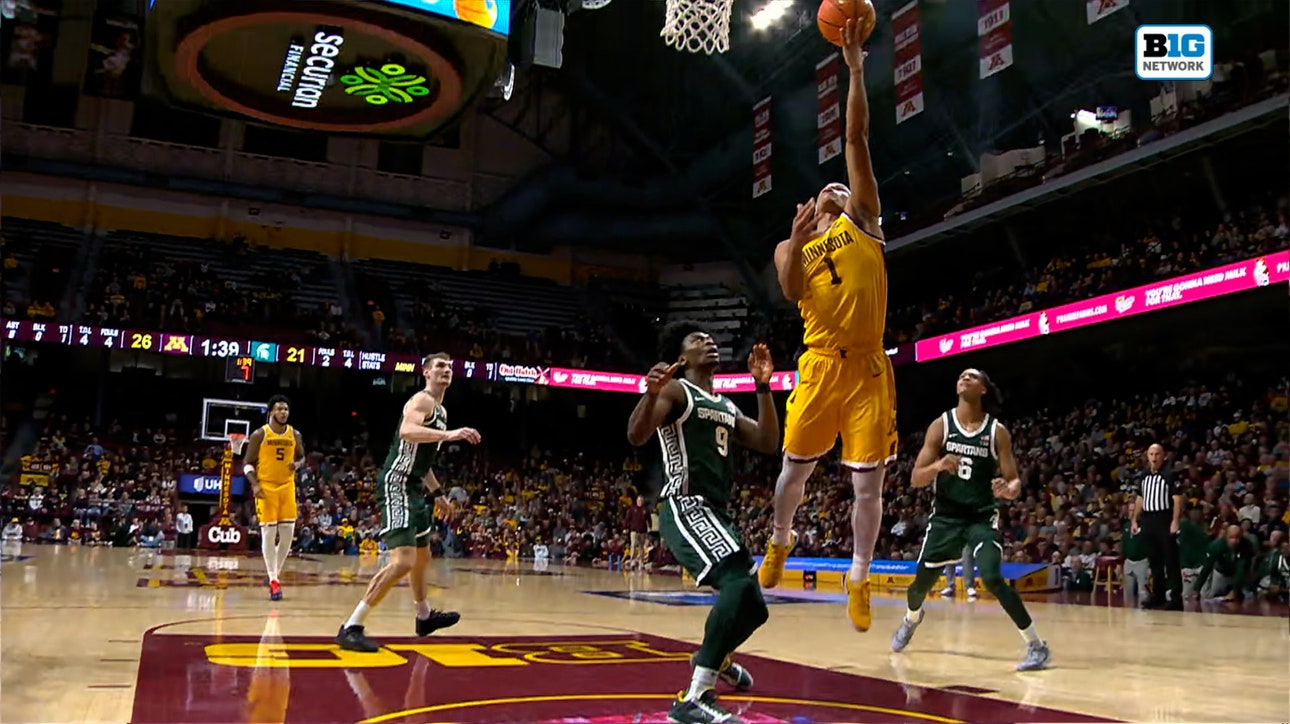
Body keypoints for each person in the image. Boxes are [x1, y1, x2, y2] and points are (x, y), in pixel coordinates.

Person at [759, 16, 894, 632]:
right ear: (814, 206)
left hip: (867, 366)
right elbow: (789, 293)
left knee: (870, 488)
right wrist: (791, 237)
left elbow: (857, 140)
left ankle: (859, 578)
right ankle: (781, 540)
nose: (837, 188)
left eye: (842, 186)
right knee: (794, 472)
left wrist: (858, 69)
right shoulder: (795, 246)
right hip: (817, 365)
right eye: (829, 189)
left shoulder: (864, 219)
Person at [627, 322, 779, 724]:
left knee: (754, 607)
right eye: (697, 340)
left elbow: (767, 442)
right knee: (737, 583)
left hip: (718, 512)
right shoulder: (678, 392)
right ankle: (694, 695)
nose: (708, 341)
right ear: (681, 357)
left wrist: (762, 386)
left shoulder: (727, 405)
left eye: (710, 338)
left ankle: (716, 656)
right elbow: (637, 435)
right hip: (684, 504)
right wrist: (651, 395)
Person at [890, 369, 1051, 672]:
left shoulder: (997, 432)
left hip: (980, 517)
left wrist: (1008, 489)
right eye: (962, 375)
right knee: (918, 588)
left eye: (973, 377)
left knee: (991, 577)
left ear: (984, 390)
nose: (965, 378)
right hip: (946, 518)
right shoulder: (941, 425)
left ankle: (1036, 646)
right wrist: (938, 465)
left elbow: (1015, 481)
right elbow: (915, 478)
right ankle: (912, 618)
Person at [336, 353, 479, 652]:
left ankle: (424, 617)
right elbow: (406, 431)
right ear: (426, 372)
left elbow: (422, 461)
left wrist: (437, 493)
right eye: (440, 366)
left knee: (423, 558)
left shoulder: (440, 410)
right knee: (402, 561)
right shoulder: (422, 401)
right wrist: (450, 435)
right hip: (397, 483)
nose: (446, 370)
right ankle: (351, 626)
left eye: (450, 367)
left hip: (415, 487)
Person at [244, 395, 305, 601]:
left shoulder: (295, 434)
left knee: (287, 534)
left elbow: (302, 457)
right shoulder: (259, 434)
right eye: (279, 409)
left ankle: (273, 575)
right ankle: (274, 580)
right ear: (270, 412)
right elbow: (247, 464)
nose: (283, 412)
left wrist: (296, 465)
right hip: (266, 487)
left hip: (287, 486)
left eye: (286, 409)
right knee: (269, 535)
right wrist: (254, 484)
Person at [1129, 443, 1183, 610]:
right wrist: (1134, 520)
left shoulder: (1170, 474)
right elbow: (1140, 498)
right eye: (1151, 454)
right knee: (1154, 560)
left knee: (1170, 559)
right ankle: (1157, 595)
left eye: (1157, 454)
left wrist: (1175, 520)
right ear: (1147, 455)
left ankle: (1175, 598)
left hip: (1164, 518)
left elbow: (1177, 499)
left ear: (1163, 455)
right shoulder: (1144, 475)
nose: (1154, 457)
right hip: (1148, 519)